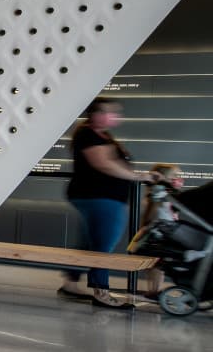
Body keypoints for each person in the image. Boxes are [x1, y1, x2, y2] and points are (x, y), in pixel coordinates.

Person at [59, 97, 162, 309]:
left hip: (101, 197)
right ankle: (101, 293)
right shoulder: (87, 134)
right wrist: (138, 177)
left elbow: (112, 163)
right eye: (109, 112)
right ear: (95, 114)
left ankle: (70, 284)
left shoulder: (102, 135)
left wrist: (139, 175)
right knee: (103, 245)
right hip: (99, 197)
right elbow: (103, 164)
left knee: (90, 242)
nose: (114, 116)